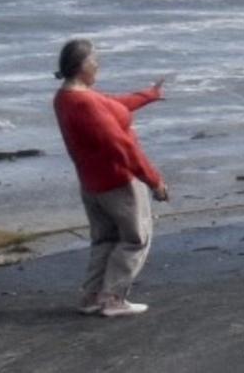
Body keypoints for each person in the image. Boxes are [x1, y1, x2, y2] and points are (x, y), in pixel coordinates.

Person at [50, 38, 170, 318]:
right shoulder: (84, 102)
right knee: (134, 240)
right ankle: (113, 299)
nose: (98, 66)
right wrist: (154, 181)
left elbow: (113, 104)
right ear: (81, 66)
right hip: (117, 183)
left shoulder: (67, 96)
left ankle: (91, 297)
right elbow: (121, 147)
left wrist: (149, 95)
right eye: (95, 61)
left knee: (104, 240)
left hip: (92, 184)